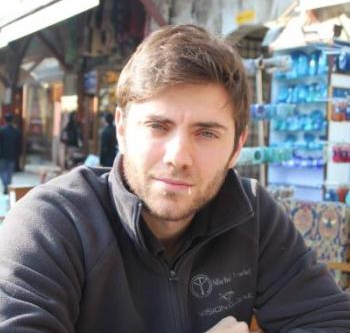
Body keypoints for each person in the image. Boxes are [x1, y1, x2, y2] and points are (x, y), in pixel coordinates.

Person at [0, 25, 349, 333]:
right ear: (121, 129)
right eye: (157, 126)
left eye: (207, 133)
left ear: (237, 146)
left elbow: (329, 320)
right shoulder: (51, 224)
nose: (178, 157)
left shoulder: (253, 213)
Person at [0, 113, 21, 194]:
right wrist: (18, 154)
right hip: (12, 155)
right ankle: (8, 186)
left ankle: (6, 185)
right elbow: (19, 144)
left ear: (5, 120)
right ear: (12, 120)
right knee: (10, 172)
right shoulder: (16, 131)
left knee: (2, 171)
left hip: (2, 155)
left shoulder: (1, 130)